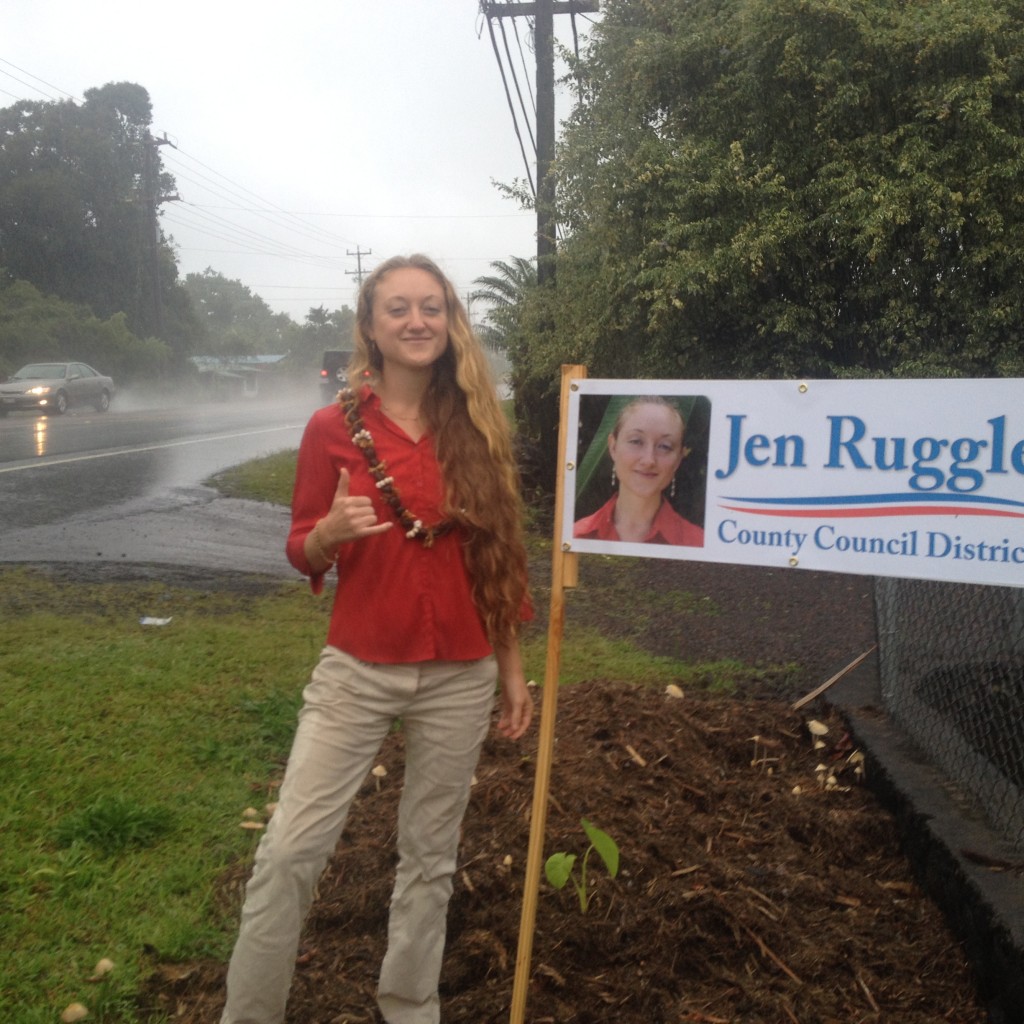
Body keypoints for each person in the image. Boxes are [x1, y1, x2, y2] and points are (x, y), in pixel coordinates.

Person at [219, 254, 534, 1024]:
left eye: (431, 306)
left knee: (430, 860)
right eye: (398, 308)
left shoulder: (478, 426)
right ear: (371, 326)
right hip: (357, 670)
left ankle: (410, 1006)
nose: (417, 320)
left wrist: (512, 670)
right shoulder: (333, 428)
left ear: (450, 321)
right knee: (290, 849)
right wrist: (326, 532)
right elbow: (300, 545)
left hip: (460, 675)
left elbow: (499, 557)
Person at [573, 396, 704, 546]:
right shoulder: (577, 535)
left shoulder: (698, 543)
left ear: (679, 458)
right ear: (613, 447)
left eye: (665, 446)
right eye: (636, 441)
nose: (649, 460)